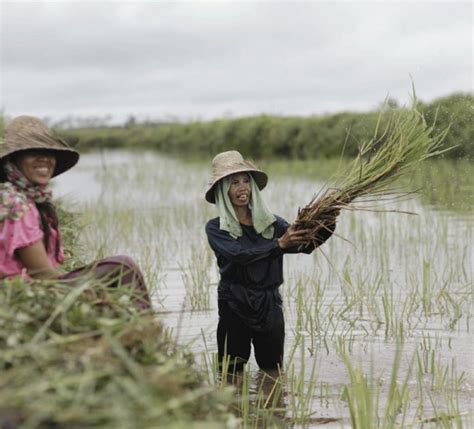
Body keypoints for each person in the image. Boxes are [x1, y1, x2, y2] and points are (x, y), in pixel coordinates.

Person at [0, 115, 151, 310]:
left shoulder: (33, 200)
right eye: (32, 152)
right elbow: (41, 273)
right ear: (14, 160)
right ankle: (145, 324)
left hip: (33, 287)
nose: (44, 158)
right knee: (123, 266)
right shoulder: (14, 201)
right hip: (24, 294)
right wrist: (87, 290)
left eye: (48, 152)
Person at [205, 150, 336, 372]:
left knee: (273, 370)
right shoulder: (217, 228)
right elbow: (239, 255)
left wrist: (327, 221)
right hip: (234, 302)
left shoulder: (273, 224)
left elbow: (304, 246)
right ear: (222, 191)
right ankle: (233, 407)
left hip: (269, 304)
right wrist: (278, 245)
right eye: (234, 183)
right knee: (230, 371)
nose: (242, 187)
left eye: (246, 181)